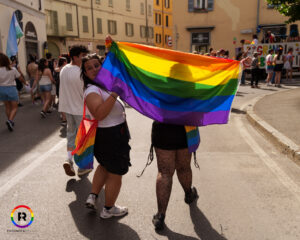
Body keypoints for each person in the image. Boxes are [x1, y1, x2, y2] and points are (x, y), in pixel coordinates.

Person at [82, 53, 131, 219]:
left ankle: (93, 196)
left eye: (97, 65)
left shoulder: (104, 86)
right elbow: (99, 114)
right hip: (110, 136)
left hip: (113, 134)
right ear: (85, 74)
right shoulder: (91, 90)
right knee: (116, 173)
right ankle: (108, 209)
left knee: (104, 166)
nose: (94, 69)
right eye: (89, 68)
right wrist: (115, 94)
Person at [58, 45, 91, 177]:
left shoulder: (64, 69)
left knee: (71, 135)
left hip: (67, 109)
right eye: (83, 56)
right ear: (75, 57)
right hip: (81, 110)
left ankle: (69, 160)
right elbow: (85, 92)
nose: (84, 58)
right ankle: (82, 167)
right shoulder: (80, 72)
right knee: (84, 139)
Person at [0, 53, 26, 131]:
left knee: (7, 107)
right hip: (11, 88)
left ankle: (10, 121)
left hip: (1, 89)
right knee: (15, 107)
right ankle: (10, 121)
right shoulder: (12, 69)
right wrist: (25, 83)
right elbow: (20, 78)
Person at [53, 57, 68, 126]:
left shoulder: (57, 69)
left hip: (58, 87)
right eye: (66, 61)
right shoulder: (66, 69)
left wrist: (55, 64)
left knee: (61, 102)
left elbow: (55, 69)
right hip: (65, 87)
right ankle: (65, 117)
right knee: (66, 102)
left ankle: (63, 117)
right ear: (64, 62)